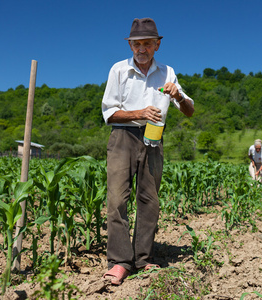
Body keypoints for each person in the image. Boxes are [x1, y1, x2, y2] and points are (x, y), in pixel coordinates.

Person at [101, 18, 194, 285]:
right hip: (123, 137)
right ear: (131, 45)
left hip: (154, 138)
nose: (141, 48)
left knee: (149, 201)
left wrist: (177, 96)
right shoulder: (119, 70)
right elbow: (109, 113)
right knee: (117, 199)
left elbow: (189, 110)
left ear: (157, 45)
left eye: (146, 44)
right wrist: (139, 113)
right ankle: (120, 262)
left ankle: (143, 259)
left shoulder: (168, 72)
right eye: (136, 44)